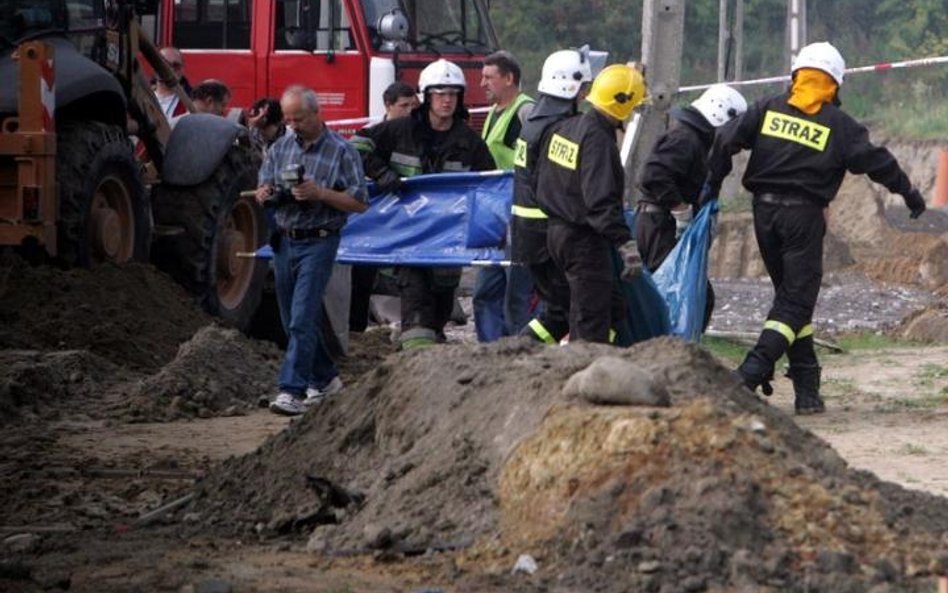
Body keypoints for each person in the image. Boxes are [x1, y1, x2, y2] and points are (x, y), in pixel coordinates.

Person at [704, 41, 927, 414]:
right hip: (803, 219)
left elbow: (724, 140)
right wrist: (911, 195)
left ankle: (808, 389)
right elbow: (879, 163)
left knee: (791, 299)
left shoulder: (767, 107)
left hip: (764, 216)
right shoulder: (840, 126)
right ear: (835, 84)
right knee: (795, 301)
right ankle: (749, 373)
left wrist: (711, 185)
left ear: (797, 76)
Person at [351, 58, 495, 349]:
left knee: (438, 315)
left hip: (446, 244)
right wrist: (381, 173)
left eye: (453, 94)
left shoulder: (470, 143)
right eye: (440, 94)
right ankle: (414, 362)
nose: (447, 100)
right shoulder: (400, 131)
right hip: (409, 239)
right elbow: (356, 145)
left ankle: (424, 362)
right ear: (427, 96)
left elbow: (488, 188)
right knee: (417, 316)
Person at [255, 85, 368, 416]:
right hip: (285, 238)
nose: (293, 126)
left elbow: (360, 201)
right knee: (293, 318)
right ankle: (327, 379)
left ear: (317, 114)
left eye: (299, 119)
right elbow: (265, 183)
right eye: (288, 120)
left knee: (303, 316)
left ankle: (292, 390)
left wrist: (320, 193)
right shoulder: (280, 148)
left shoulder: (342, 151)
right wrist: (266, 194)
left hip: (320, 239)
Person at [534, 64, 648, 343]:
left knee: (610, 307)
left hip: (555, 235)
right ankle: (583, 377)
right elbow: (600, 202)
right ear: (622, 104)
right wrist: (626, 244)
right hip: (583, 241)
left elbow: (541, 178)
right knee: (590, 321)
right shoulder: (598, 140)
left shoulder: (566, 127)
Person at [635, 84, 747, 330]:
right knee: (675, 294)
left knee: (690, 295)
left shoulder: (701, 142)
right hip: (659, 225)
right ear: (720, 116)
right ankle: (666, 353)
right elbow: (653, 176)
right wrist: (680, 208)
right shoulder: (685, 139)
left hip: (666, 225)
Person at [513, 48, 593, 345]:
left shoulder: (537, 121)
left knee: (562, 309)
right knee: (567, 311)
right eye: (584, 87)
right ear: (568, 86)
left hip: (531, 235)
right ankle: (516, 355)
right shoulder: (556, 128)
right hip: (548, 235)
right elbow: (560, 187)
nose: (586, 93)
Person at [471, 51, 535, 343]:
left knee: (516, 295)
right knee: (484, 292)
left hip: (518, 215)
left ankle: (520, 351)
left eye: (489, 77)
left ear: (509, 79)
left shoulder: (525, 111)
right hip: (493, 216)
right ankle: (490, 352)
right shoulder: (494, 113)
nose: (482, 83)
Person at [348, 80, 419, 333]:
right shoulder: (371, 133)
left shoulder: (416, 133)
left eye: (413, 105)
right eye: (404, 106)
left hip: (404, 215)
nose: (410, 111)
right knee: (362, 276)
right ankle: (356, 327)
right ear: (388, 105)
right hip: (372, 217)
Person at [154, 47, 191, 120]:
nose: (170, 69)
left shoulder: (191, 101)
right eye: (164, 64)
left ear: (182, 69)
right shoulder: (141, 96)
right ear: (155, 66)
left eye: (176, 65)